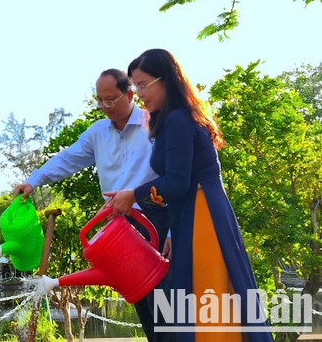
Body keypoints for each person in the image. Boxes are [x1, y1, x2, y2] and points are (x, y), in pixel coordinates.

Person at [104, 49, 272, 341]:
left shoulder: (179, 120)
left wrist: (133, 196)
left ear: (166, 79)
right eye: (135, 87)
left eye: (143, 85)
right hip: (193, 213)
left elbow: (178, 182)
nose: (140, 94)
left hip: (202, 216)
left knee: (208, 296)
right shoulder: (175, 118)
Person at [14, 68, 171, 342]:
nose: (105, 107)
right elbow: (68, 159)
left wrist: (173, 231)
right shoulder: (98, 132)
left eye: (111, 100)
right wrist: (33, 181)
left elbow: (178, 178)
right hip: (120, 230)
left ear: (130, 94)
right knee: (142, 303)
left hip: (155, 220)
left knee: (166, 304)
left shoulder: (154, 125)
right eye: (100, 100)